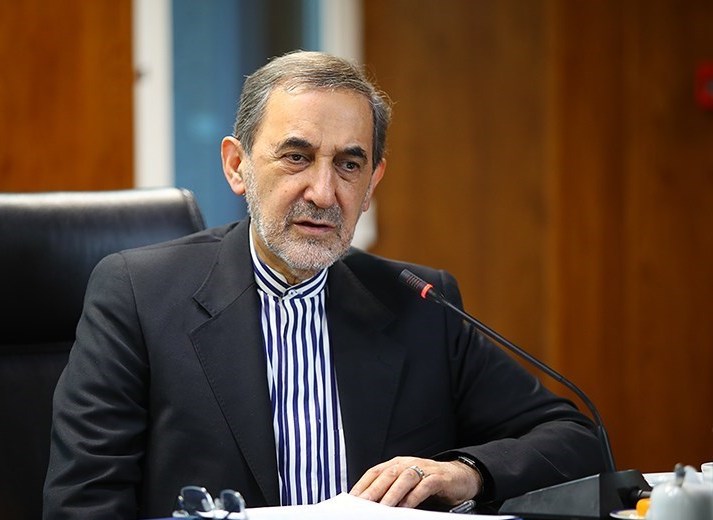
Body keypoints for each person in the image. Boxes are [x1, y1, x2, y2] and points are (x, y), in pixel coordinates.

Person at [43, 50, 605, 519]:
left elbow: (578, 440)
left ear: (373, 181)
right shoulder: (138, 295)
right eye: (297, 157)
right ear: (237, 166)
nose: (323, 192)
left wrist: (466, 472)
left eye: (349, 165)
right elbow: (83, 503)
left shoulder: (420, 304)